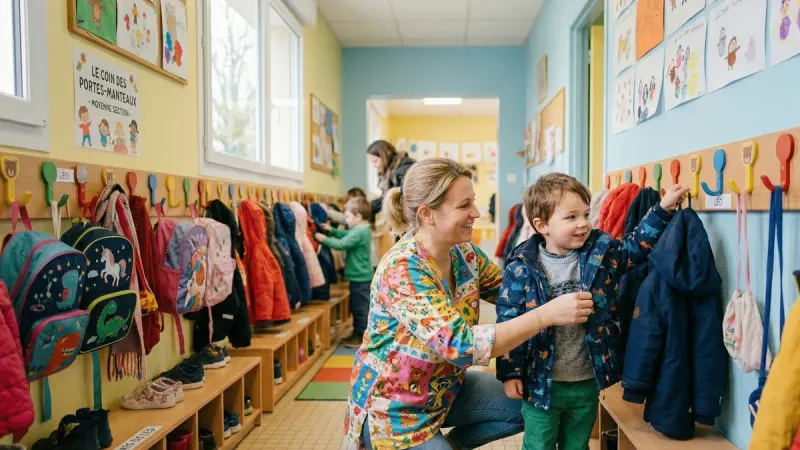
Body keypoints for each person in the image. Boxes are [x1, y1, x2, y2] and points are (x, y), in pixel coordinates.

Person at [342, 158, 597, 450]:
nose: (476, 213)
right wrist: (547, 314)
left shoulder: (465, 254)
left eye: (473, 202)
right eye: (464, 206)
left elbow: (512, 293)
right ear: (427, 214)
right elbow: (461, 346)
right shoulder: (402, 269)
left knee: (533, 403)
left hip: (446, 390)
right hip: (394, 414)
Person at [495, 173, 687, 450]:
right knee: (538, 445)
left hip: (587, 379)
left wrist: (662, 209)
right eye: (571, 217)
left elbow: (634, 248)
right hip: (540, 382)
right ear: (541, 225)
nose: (583, 223)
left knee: (578, 444)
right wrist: (510, 372)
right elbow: (508, 320)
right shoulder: (521, 267)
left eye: (585, 214)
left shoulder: (602, 249)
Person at [314, 196, 373, 348]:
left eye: (347, 216)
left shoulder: (359, 231)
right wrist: (331, 230)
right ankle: (358, 332)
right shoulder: (361, 229)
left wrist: (322, 238)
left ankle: (361, 336)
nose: (345, 220)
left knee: (360, 309)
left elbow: (342, 244)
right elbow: (345, 235)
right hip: (360, 277)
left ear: (358, 216)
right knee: (357, 307)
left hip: (360, 278)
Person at [366, 140, 415, 215]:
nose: (373, 165)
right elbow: (386, 197)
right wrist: (367, 206)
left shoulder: (404, 169)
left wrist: (369, 206)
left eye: (375, 161)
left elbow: (399, 199)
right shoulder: (387, 170)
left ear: (385, 157)